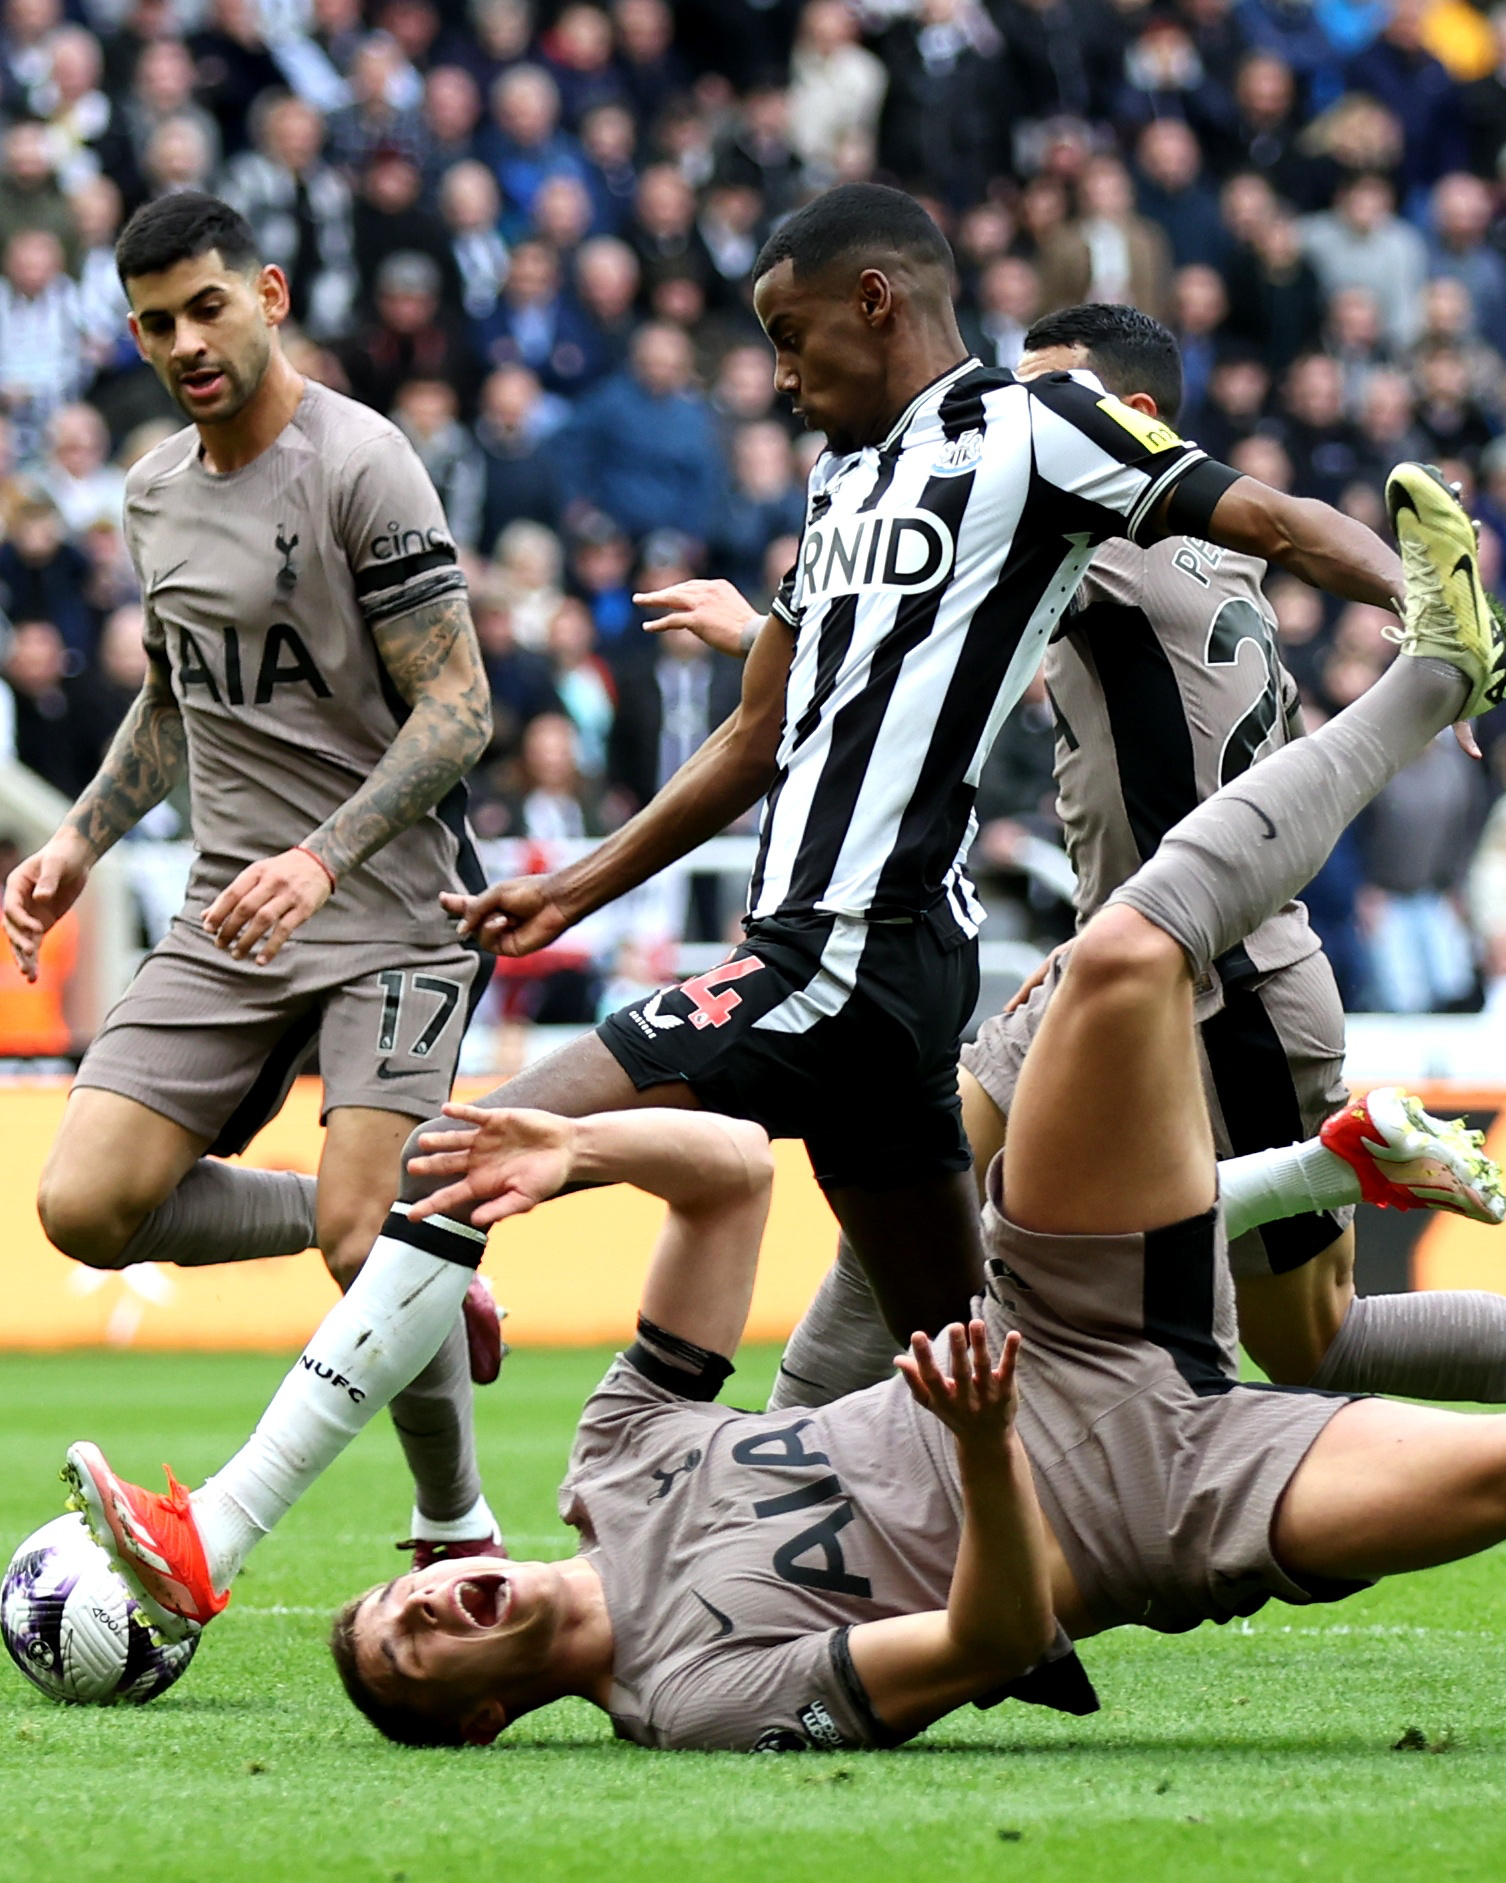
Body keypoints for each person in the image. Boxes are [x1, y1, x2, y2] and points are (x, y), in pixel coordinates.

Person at [58, 474, 1506, 1735]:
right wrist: (988, 1446)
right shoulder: (687, 1699)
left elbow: (732, 1172)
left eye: (402, 1597)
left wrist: (573, 1145)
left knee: (1113, 957)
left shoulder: (610, 1459)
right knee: (1396, 1403)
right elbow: (991, 1637)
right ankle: (1317, 1166)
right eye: (421, 1653)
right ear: (487, 1714)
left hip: (1041, 1289)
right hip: (1162, 1497)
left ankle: (1432, 675)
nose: (428, 1612)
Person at [391, 181, 1428, 1350]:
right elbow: (853, 674)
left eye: (790, 339)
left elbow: (1267, 526)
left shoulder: (1072, 488)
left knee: (1287, 1337)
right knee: (964, 1320)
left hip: (1186, 963)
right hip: (1097, 957)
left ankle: (446, 1517)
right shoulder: (862, 480)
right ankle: (953, 1500)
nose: (781, 378)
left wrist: (1440, 620)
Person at [0, 191, 504, 1568]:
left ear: (268, 293)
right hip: (230, 909)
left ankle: (457, 1523)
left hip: (390, 907)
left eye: (207, 306)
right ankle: (419, 1248)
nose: (185, 342)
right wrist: (75, 842)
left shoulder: (364, 462)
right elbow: (176, 697)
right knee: (85, 1205)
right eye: (156, 322)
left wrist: (320, 852)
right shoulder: (156, 488)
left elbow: (460, 709)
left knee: (364, 1238)